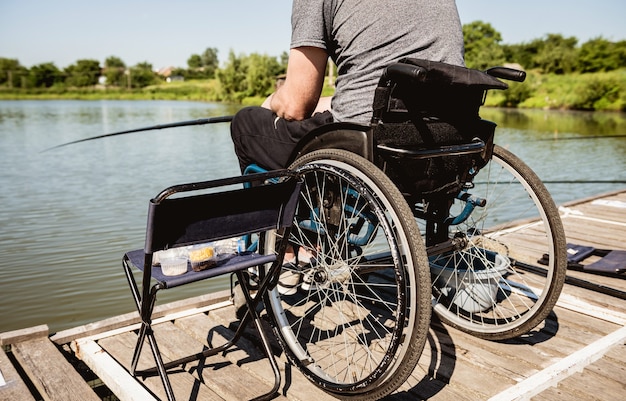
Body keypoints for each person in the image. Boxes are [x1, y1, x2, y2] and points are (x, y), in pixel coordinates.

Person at [230, 0, 465, 172]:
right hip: (449, 132)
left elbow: (295, 105)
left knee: (245, 123)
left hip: (371, 141)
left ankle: (282, 234)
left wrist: (270, 102)